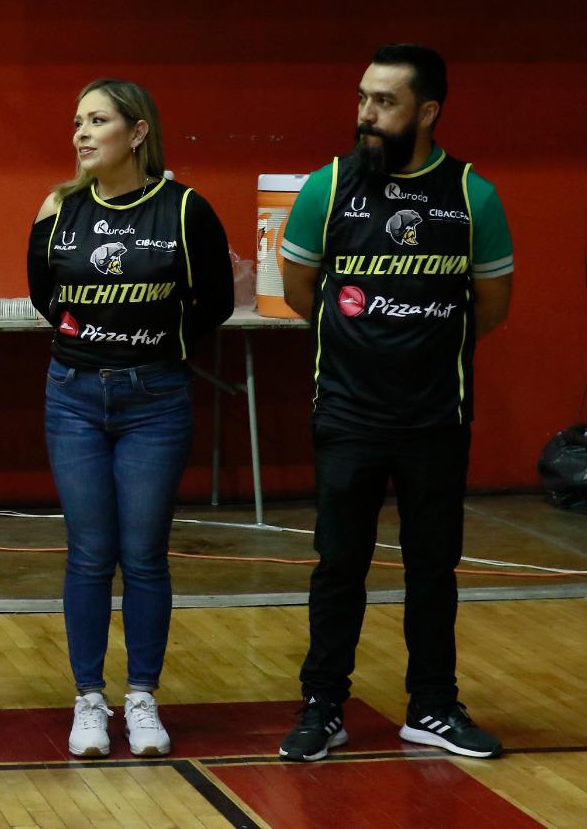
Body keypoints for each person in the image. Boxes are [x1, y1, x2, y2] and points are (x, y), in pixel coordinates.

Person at [277, 44, 514, 762]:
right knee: (338, 566)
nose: (366, 114)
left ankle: (432, 707)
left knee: (433, 569)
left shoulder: (472, 196)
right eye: (362, 98)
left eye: (384, 102)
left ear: (427, 111)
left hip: (435, 417)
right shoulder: (327, 187)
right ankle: (323, 705)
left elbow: (490, 305)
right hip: (347, 414)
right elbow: (301, 292)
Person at [26, 79, 232, 759]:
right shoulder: (59, 208)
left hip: (156, 401)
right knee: (89, 553)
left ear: (138, 132)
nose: (82, 134)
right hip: (74, 396)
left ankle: (141, 697)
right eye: (77, 121)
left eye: (98, 120)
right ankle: (89, 699)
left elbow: (214, 302)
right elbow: (45, 297)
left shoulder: (184, 210)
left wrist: (156, 345)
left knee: (143, 554)